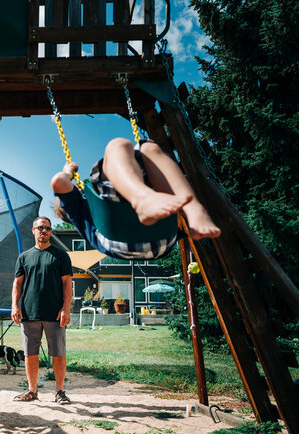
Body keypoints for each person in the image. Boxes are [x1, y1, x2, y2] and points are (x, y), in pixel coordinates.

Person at [51, 138, 221, 260]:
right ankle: (192, 208)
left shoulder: (81, 218)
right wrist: (68, 172)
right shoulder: (81, 206)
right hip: (146, 236)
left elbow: (60, 185)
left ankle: (148, 199)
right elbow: (59, 181)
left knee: (148, 147)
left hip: (153, 242)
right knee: (122, 145)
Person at [11, 217, 73, 404]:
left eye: (47, 228)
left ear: (51, 232)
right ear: (33, 230)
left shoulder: (61, 256)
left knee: (59, 354)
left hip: (55, 313)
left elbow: (67, 283)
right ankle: (32, 391)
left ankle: (60, 392)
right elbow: (17, 283)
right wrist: (15, 305)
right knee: (30, 354)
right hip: (29, 313)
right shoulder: (24, 257)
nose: (43, 231)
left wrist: (66, 308)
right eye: (40, 228)